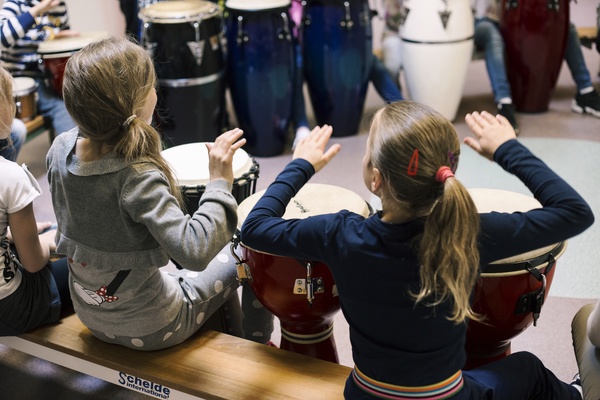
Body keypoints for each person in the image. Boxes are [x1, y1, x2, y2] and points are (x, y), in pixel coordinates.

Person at [240, 100, 593, 399]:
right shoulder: (468, 232)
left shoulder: (340, 233)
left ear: (375, 179)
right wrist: (508, 150)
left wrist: (301, 164)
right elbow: (575, 213)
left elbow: (254, 227)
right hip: (447, 396)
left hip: (366, 394)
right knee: (528, 369)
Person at [46, 36, 272, 350]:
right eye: (151, 86)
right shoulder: (136, 176)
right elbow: (194, 252)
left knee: (200, 275)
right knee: (244, 253)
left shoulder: (60, 150)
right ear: (139, 104)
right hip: (155, 326)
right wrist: (219, 181)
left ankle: (234, 336)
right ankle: (261, 346)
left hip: (93, 315)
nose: (155, 91)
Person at [0, 66, 71, 336]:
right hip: (11, 306)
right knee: (88, 266)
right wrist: (53, 242)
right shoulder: (10, 176)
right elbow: (33, 263)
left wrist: (8, 233)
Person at [474, 0, 600, 133]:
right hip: (487, 19)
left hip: (526, 15)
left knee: (568, 28)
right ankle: (504, 102)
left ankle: (585, 92)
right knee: (493, 38)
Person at [0, 0, 77, 137]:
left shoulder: (59, 6)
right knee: (62, 110)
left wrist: (59, 38)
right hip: (16, 78)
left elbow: (63, 48)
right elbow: (2, 36)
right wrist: (39, 9)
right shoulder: (16, 3)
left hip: (46, 78)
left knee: (74, 106)